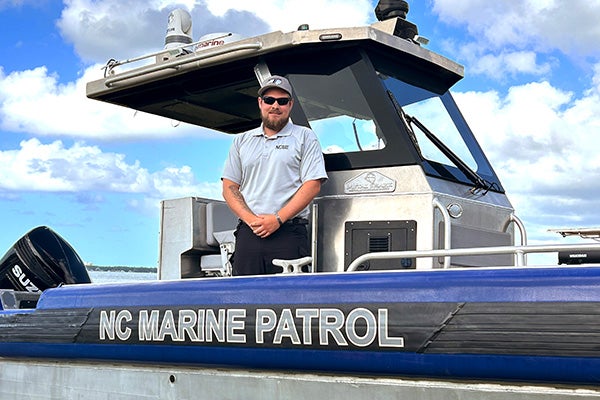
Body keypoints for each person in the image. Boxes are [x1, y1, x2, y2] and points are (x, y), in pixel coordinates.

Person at [221, 75, 327, 276]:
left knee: (291, 300)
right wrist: (252, 220)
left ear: (291, 104)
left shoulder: (305, 137)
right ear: (261, 103)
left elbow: (313, 184)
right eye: (269, 100)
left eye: (282, 101)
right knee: (243, 300)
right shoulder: (241, 141)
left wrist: (278, 219)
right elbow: (229, 187)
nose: (275, 106)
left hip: (288, 234)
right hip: (249, 234)